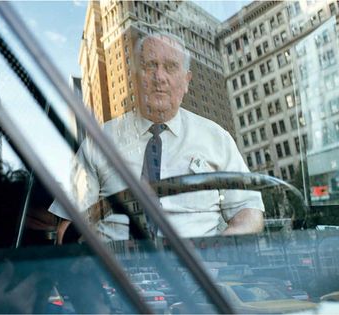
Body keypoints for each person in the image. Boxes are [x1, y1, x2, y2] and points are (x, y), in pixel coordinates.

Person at [50, 32, 264, 241]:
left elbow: (249, 213)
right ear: (134, 76)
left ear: (186, 80)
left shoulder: (217, 138)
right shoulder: (99, 141)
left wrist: (213, 253)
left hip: (200, 272)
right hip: (118, 270)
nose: (159, 77)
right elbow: (68, 227)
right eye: (149, 65)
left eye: (170, 67)